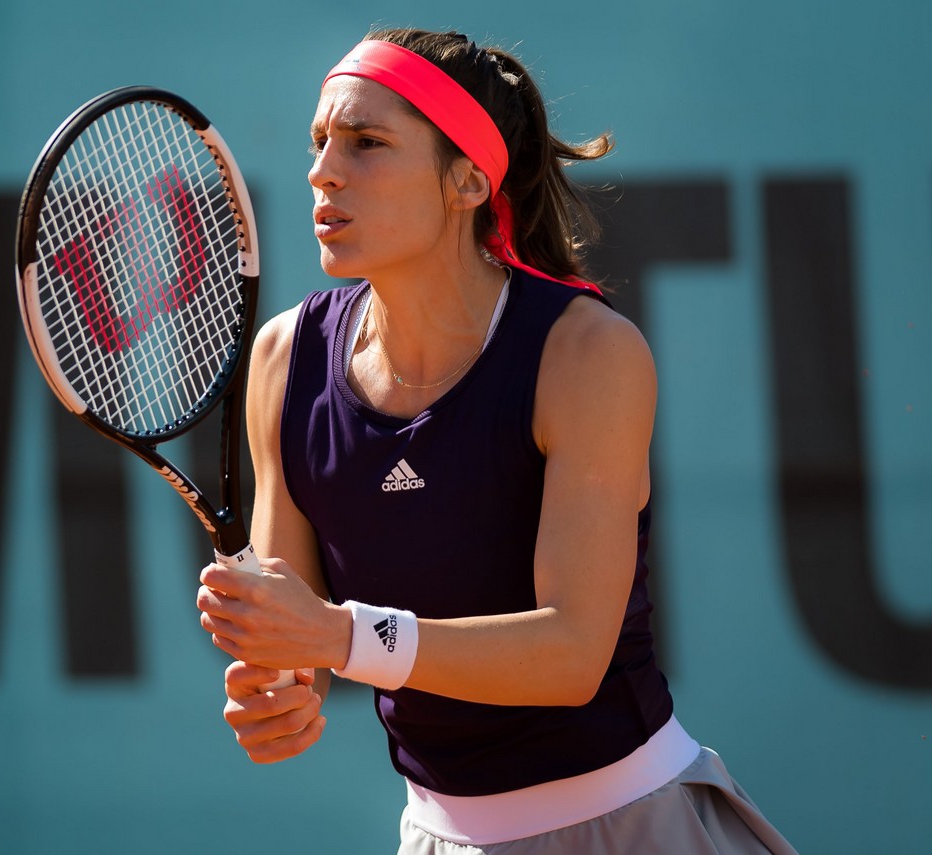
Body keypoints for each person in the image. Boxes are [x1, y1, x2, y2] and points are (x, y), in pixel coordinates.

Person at [196, 27, 798, 854]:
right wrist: (280, 691)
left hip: (634, 828)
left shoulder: (586, 353)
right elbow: (296, 633)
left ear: (469, 181)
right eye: (320, 141)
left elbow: (571, 651)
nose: (323, 170)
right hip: (438, 836)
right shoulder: (282, 360)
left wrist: (336, 635)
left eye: (367, 142)